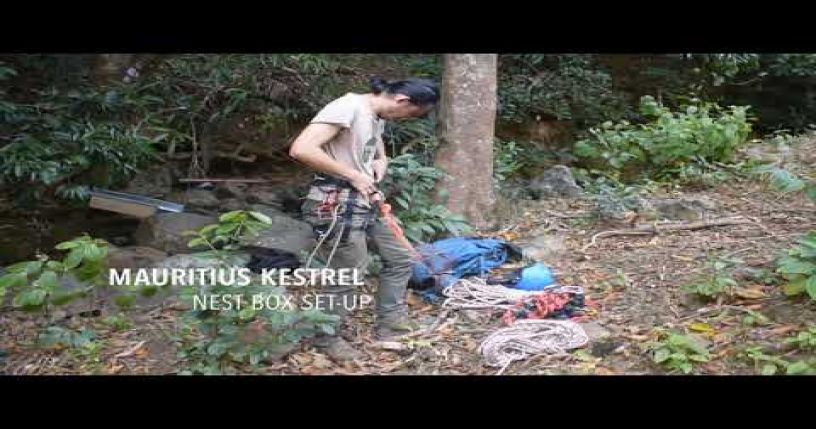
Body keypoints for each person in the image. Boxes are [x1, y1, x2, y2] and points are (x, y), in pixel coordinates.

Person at [289, 77, 440, 361]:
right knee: (349, 272)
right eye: (410, 114)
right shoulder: (347, 107)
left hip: (366, 201)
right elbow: (301, 149)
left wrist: (381, 159)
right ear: (402, 100)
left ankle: (391, 324)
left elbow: (372, 141)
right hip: (335, 203)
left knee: (401, 258)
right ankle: (325, 338)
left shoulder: (376, 113)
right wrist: (353, 174)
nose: (406, 120)